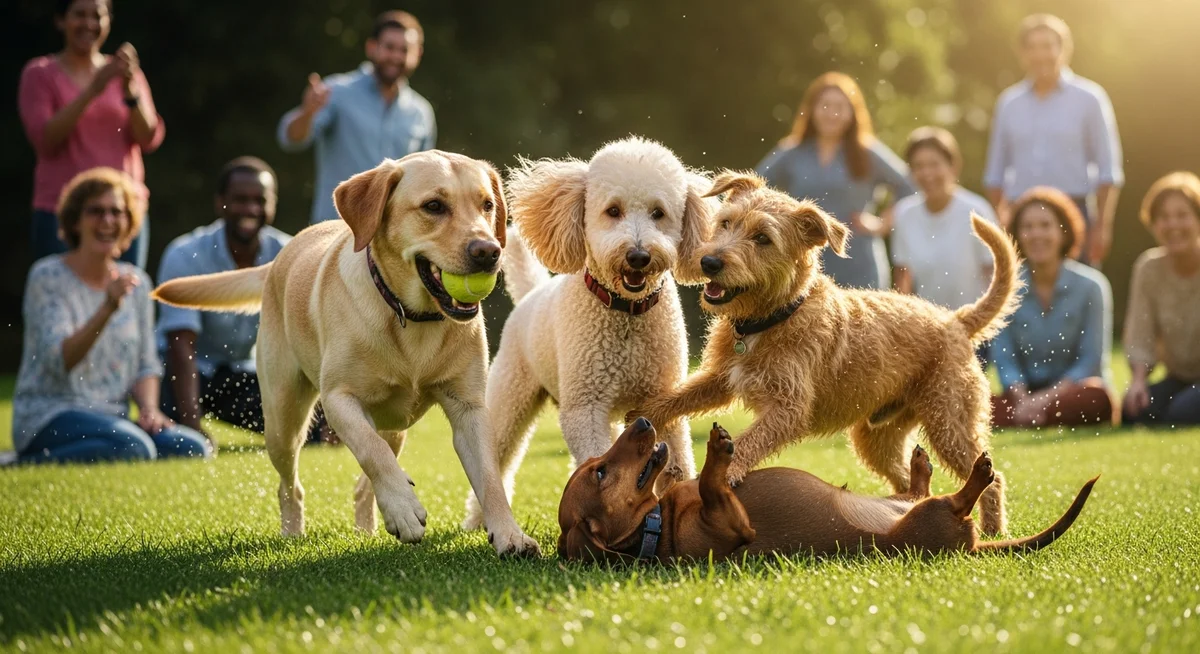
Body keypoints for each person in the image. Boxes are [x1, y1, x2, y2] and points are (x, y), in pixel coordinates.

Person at [11, 168, 211, 463]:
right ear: (75, 220)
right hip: (50, 414)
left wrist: (149, 411)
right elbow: (59, 361)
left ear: (129, 222)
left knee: (191, 447)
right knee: (133, 448)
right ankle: (19, 463)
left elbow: (146, 365)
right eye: (96, 211)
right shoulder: (47, 277)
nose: (107, 221)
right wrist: (107, 308)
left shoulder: (138, 282)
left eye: (116, 212)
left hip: (113, 419)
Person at [156, 157, 332, 444]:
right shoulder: (185, 255)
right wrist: (192, 426)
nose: (250, 209)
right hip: (184, 373)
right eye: (239, 199)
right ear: (219, 202)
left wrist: (328, 416)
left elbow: (314, 340)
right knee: (179, 440)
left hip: (241, 374)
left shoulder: (292, 254)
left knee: (311, 434)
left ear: (273, 204)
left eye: (259, 200)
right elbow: (181, 346)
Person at [18, 0, 165, 270]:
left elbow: (148, 139)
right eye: (79, 15)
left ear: (108, 22)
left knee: (125, 302)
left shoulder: (126, 74)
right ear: (61, 21)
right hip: (63, 214)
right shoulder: (39, 74)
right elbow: (45, 141)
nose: (88, 24)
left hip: (124, 211)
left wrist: (130, 89)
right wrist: (94, 89)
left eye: (97, 16)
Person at [983, 13, 1123, 266]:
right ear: (1022, 54)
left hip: (1075, 213)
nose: (1040, 55)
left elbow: (1108, 171)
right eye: (1032, 48)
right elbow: (995, 174)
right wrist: (1004, 221)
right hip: (1022, 217)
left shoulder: (1090, 98)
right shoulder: (1009, 103)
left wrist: (1102, 225)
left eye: (1047, 46)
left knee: (1078, 295)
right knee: (1024, 300)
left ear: (1064, 49)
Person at [756, 71, 915, 290]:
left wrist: (882, 224)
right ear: (811, 110)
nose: (832, 114)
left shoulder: (866, 151)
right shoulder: (791, 152)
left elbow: (910, 186)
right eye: (825, 106)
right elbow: (755, 185)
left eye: (840, 107)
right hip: (804, 262)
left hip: (859, 263)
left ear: (852, 113)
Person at [276, 10, 435, 224]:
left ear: (418, 54)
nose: (397, 57)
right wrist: (308, 112)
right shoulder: (336, 92)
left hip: (392, 237)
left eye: (405, 50)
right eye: (389, 47)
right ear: (372, 47)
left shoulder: (420, 113)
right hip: (336, 230)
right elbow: (291, 139)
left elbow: (423, 180)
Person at [990, 187, 1116, 428]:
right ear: (1016, 235)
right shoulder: (1004, 289)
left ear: (1063, 232)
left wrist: (1043, 400)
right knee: (969, 405)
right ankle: (1033, 417)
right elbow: (1005, 359)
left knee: (1097, 398)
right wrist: (1024, 399)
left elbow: (1091, 360)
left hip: (1073, 392)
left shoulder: (1092, 286)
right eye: (1027, 227)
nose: (1036, 234)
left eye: (1045, 225)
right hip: (1021, 395)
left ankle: (1030, 418)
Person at [1121, 172, 1200, 426]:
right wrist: (1138, 382)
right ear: (1153, 225)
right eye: (1163, 217)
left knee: (1181, 414)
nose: (1173, 225)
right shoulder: (1149, 268)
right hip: (1179, 377)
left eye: (1182, 215)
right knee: (1134, 411)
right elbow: (1140, 332)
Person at [892, 126, 1000, 309]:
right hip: (929, 326)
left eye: (934, 164)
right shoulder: (904, 213)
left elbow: (995, 274)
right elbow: (903, 279)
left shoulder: (977, 210)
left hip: (976, 323)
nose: (927, 173)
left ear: (953, 166)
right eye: (919, 166)